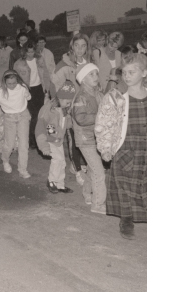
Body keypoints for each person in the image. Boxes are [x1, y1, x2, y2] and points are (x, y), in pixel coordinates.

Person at [96, 55, 147, 239]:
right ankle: (126, 219)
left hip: (147, 146)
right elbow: (104, 123)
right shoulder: (115, 97)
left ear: (145, 73)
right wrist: (105, 148)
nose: (126, 76)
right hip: (125, 146)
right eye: (124, 72)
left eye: (132, 72)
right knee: (124, 184)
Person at [52, 33, 91, 186]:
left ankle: (80, 164)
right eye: (77, 46)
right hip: (70, 110)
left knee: (86, 138)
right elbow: (55, 87)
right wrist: (64, 107)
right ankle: (78, 169)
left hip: (86, 109)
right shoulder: (64, 65)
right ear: (72, 47)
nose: (80, 49)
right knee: (73, 140)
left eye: (83, 46)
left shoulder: (88, 63)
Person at [70, 63, 106, 213]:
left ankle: (87, 194)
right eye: (91, 74)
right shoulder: (81, 97)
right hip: (85, 139)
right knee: (99, 171)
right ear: (83, 80)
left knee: (93, 169)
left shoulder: (97, 92)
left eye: (96, 73)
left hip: (95, 137)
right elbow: (80, 118)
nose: (96, 77)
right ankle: (98, 204)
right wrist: (100, 117)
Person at [36, 81, 76, 193]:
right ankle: (51, 181)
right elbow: (40, 130)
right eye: (68, 102)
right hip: (49, 140)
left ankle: (60, 184)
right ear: (61, 99)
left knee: (62, 161)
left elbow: (65, 124)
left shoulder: (63, 108)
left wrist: (70, 121)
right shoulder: (48, 110)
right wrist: (43, 146)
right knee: (57, 159)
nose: (69, 105)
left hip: (58, 140)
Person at [15, 42, 53, 151]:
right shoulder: (19, 63)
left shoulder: (40, 59)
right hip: (28, 90)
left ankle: (47, 136)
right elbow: (16, 78)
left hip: (39, 89)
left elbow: (45, 74)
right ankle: (33, 138)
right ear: (24, 51)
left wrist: (47, 89)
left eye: (32, 51)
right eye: (28, 52)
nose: (30, 54)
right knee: (34, 116)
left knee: (44, 114)